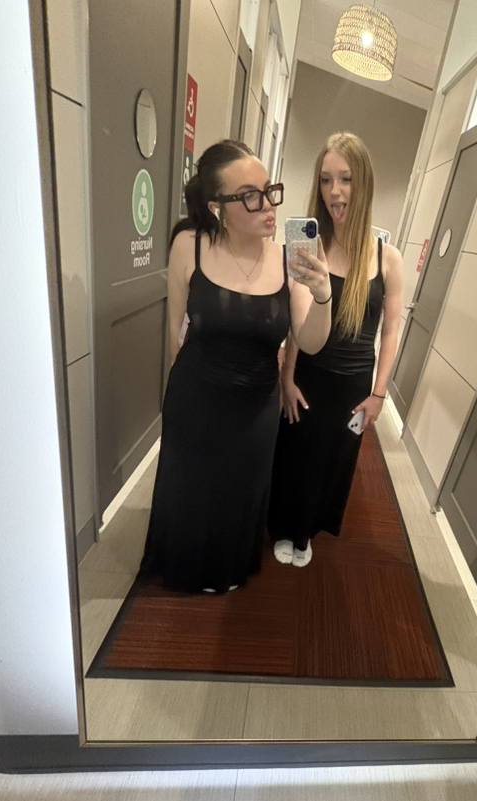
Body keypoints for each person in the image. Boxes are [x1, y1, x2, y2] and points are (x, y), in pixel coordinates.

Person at [140, 140, 332, 594]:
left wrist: (323, 294)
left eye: (269, 190)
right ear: (217, 207)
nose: (268, 205)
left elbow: (310, 340)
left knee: (238, 492)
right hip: (195, 396)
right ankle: (184, 564)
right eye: (250, 196)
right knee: (189, 486)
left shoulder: (289, 259)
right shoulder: (189, 246)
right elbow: (175, 332)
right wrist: (178, 397)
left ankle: (224, 569)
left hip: (256, 406)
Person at [269, 132, 404, 567]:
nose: (334, 191)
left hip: (354, 384)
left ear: (362, 183)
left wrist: (379, 393)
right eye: (326, 180)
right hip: (310, 373)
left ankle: (307, 533)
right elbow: (298, 324)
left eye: (345, 179)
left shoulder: (388, 258)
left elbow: (391, 330)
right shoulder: (309, 247)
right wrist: (287, 376)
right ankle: (285, 526)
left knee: (333, 460)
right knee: (296, 454)